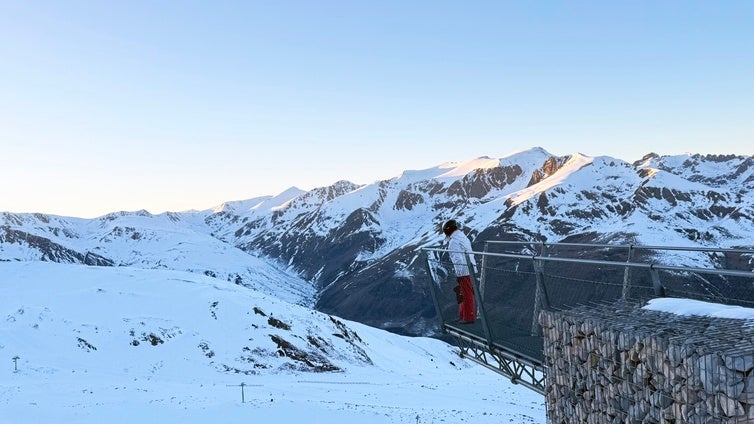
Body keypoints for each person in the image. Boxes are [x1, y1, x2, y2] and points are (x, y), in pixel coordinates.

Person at [442, 219, 477, 324]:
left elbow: (458, 260)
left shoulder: (454, 242)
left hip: (464, 271)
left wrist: (459, 274)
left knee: (466, 294)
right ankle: (463, 315)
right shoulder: (462, 237)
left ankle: (468, 317)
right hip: (470, 268)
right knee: (463, 293)